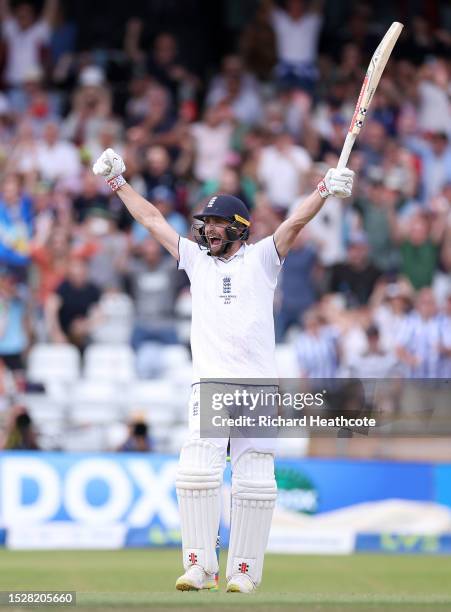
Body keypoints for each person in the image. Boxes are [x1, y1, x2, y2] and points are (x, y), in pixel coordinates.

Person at [93, 147, 354, 593]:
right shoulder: (195, 260)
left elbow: (294, 223)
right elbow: (154, 220)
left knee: (255, 480)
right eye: (206, 224)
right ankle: (200, 565)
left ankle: (245, 571)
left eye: (218, 224)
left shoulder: (263, 259)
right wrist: (118, 183)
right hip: (211, 382)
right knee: (197, 470)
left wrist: (324, 190)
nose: (209, 230)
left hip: (257, 385)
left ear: (239, 228)